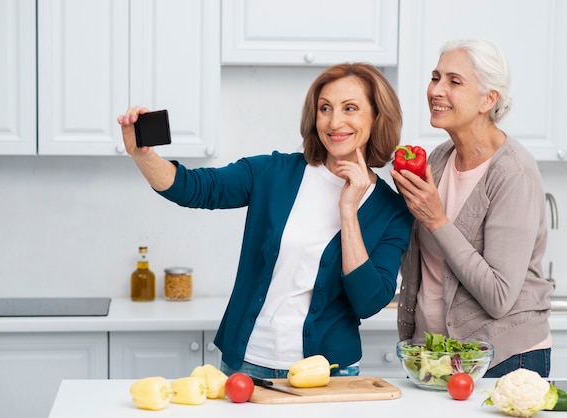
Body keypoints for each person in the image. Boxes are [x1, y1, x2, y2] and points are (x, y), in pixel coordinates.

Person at [118, 62, 413, 378]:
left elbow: (369, 301)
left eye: (350, 108)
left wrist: (348, 211)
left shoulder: (392, 210)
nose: (334, 120)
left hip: (328, 375)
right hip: (246, 366)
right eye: (325, 108)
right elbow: (195, 188)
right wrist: (143, 155)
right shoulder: (273, 173)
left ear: (377, 117)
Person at [391, 39, 552, 378]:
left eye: (454, 81)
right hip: (433, 355)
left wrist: (436, 219)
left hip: (502, 359)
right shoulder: (437, 159)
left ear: (488, 99)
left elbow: (498, 296)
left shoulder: (512, 172)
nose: (436, 90)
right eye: (435, 77)